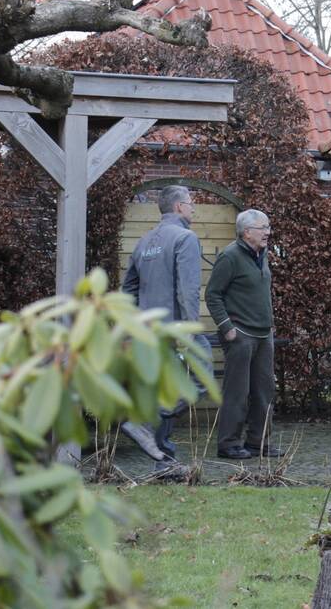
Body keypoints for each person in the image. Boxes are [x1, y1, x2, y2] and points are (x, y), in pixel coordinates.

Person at [122, 185, 211, 461]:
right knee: (203, 376)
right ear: (178, 207)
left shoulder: (144, 241)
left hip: (147, 330)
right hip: (175, 327)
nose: (193, 207)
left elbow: (128, 291)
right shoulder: (185, 238)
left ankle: (162, 452)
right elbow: (188, 290)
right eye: (190, 202)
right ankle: (146, 423)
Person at [205, 208, 282, 460]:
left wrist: (269, 322)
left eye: (268, 227)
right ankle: (228, 444)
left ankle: (258, 443)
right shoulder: (230, 257)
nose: (268, 232)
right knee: (237, 392)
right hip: (240, 334)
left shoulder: (263, 255)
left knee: (264, 391)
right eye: (264, 228)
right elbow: (213, 295)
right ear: (246, 232)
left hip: (263, 335)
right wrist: (227, 327)